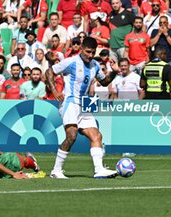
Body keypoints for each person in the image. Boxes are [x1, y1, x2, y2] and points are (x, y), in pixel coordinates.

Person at [45, 37, 120, 179]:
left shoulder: (95, 65)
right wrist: (54, 90)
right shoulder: (71, 62)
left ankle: (99, 170)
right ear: (81, 49)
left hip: (84, 104)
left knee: (96, 135)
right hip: (70, 103)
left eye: (92, 52)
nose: (90, 55)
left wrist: (114, 72)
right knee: (72, 135)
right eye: (88, 52)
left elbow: (104, 82)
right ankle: (56, 170)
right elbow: (49, 72)